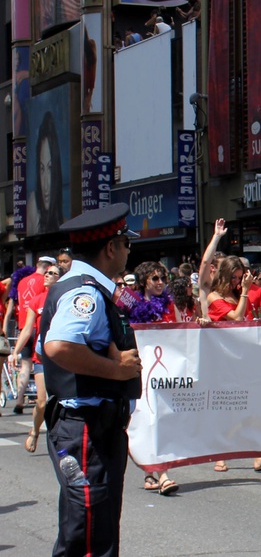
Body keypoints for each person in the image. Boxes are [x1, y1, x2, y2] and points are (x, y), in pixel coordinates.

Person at [36, 204, 143, 557]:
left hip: (93, 427)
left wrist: (110, 353)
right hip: (87, 428)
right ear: (111, 247)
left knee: (92, 526)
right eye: (126, 242)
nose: (129, 250)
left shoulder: (86, 287)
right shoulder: (86, 293)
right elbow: (58, 346)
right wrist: (117, 370)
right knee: (89, 532)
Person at [204, 255, 261, 473]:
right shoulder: (214, 297)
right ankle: (220, 456)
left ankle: (257, 456)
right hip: (222, 358)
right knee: (226, 408)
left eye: (240, 278)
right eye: (235, 278)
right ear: (225, 275)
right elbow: (236, 317)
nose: (238, 282)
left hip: (242, 356)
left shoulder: (238, 294)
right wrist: (246, 291)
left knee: (251, 405)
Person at [125, 261, 180, 495]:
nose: (160, 283)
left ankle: (161, 474)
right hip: (138, 369)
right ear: (143, 281)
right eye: (155, 279)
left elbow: (180, 330)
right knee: (142, 421)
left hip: (163, 370)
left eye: (163, 279)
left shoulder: (170, 303)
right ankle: (152, 471)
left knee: (159, 420)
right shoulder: (130, 302)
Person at [8, 264, 61, 453]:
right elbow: (27, 330)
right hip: (41, 357)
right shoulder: (36, 300)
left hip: (62, 356)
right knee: (41, 401)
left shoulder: (63, 298)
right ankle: (36, 431)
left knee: (60, 400)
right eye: (47, 272)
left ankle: (59, 437)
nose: (47, 276)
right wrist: (15, 351)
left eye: (53, 274)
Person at [32, 112, 67, 235]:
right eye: (42, 169)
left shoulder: (66, 224)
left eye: (50, 168)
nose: (45, 184)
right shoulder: (33, 207)